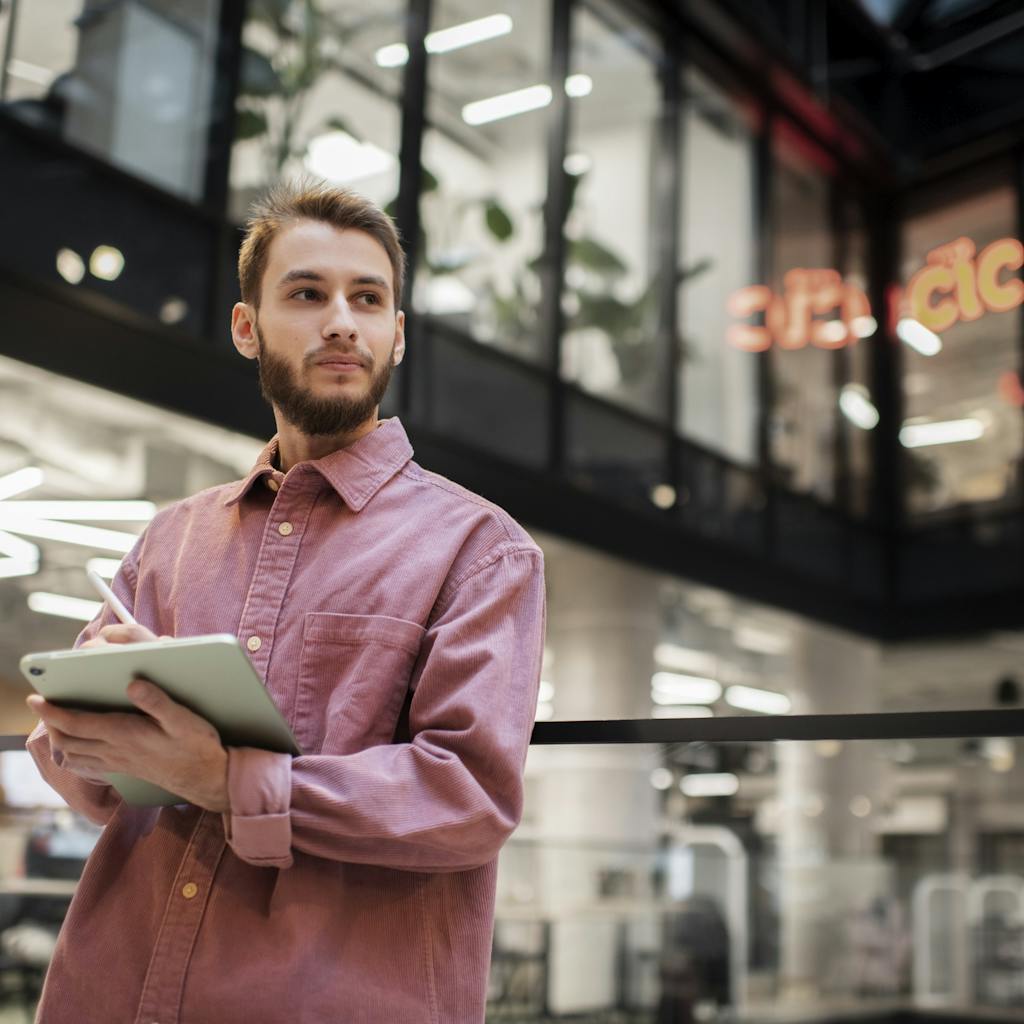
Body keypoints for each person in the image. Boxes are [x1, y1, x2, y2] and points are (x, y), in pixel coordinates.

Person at [25, 179, 546, 1024]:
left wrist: (228, 779)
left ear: (397, 336)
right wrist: (86, 728)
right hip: (107, 991)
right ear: (247, 327)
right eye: (306, 294)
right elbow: (93, 783)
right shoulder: (172, 538)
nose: (341, 319)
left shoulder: (481, 550)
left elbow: (467, 798)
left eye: (367, 299)